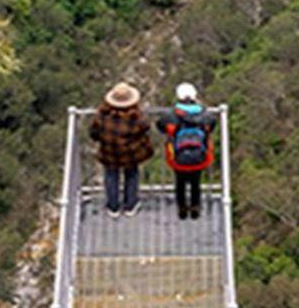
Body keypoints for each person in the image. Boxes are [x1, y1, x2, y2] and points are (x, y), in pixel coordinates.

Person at [89, 82, 153, 218]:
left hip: (109, 153)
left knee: (111, 177)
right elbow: (145, 128)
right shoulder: (136, 118)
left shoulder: (102, 115)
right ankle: (130, 206)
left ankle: (113, 208)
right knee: (132, 175)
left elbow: (94, 133)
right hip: (130, 154)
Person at [158, 82, 218, 220]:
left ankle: (182, 208)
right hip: (200, 157)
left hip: (178, 158)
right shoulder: (205, 115)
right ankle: (195, 207)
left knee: (180, 182)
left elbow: (160, 126)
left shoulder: (171, 115)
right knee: (196, 182)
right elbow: (212, 126)